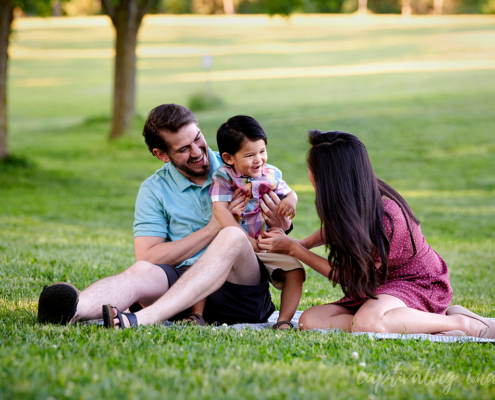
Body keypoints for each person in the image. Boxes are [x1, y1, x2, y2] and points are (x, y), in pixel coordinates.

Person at [37, 104, 293, 328]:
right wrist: (211, 228)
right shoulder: (154, 189)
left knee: (232, 236)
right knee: (141, 270)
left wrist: (283, 223)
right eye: (183, 148)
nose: (196, 152)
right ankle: (73, 308)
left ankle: (143, 318)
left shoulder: (241, 166)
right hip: (179, 292)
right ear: (161, 155)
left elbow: (276, 227)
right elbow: (149, 256)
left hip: (239, 294)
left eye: (198, 138)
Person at [258, 130, 495, 338]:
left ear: (330, 179)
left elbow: (348, 276)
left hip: (415, 283)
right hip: (379, 286)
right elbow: (343, 225)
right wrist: (306, 243)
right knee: (310, 320)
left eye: (312, 170)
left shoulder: (388, 219)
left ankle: (458, 322)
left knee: (366, 323)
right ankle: (416, 323)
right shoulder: (352, 199)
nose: (308, 173)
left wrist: (295, 250)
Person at [189, 115, 306, 330]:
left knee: (295, 271)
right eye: (250, 155)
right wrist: (242, 239)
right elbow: (220, 210)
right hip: (234, 243)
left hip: (267, 244)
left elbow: (291, 193)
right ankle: (196, 314)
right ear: (229, 157)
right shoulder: (224, 177)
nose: (259, 159)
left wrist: (290, 201)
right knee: (203, 262)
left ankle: (283, 320)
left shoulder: (271, 173)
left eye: (262, 151)